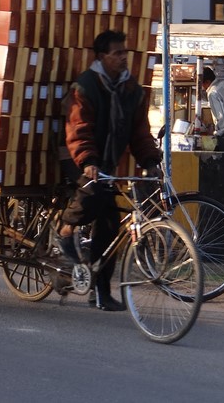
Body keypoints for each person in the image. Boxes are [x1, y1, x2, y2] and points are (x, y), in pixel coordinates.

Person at [58, 30, 161, 311]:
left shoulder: (132, 91)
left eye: (125, 53)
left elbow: (140, 132)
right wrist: (88, 160)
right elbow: (78, 129)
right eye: (117, 54)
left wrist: (151, 160)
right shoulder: (85, 87)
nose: (124, 58)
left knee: (111, 227)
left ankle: (101, 292)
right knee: (95, 196)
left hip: (106, 163)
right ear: (102, 57)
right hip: (77, 158)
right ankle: (65, 229)